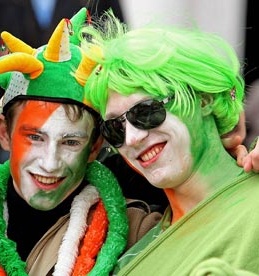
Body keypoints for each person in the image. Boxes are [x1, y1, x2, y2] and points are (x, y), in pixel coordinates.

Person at [0, 9, 132, 276]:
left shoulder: (135, 227)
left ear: (95, 146)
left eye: (70, 142)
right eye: (35, 138)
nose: (49, 163)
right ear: (4, 132)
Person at [78, 10, 259, 275]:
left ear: (204, 99)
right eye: (115, 127)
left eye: (146, 111)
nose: (132, 138)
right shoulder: (129, 262)